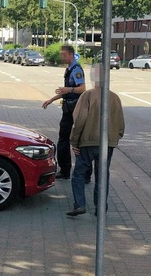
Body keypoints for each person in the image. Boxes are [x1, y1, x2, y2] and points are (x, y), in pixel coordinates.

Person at [66, 64, 125, 217]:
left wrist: (74, 142)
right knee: (102, 175)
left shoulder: (87, 96)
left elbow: (79, 120)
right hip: (107, 144)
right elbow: (121, 125)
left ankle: (80, 204)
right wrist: (114, 139)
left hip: (87, 142)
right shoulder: (114, 98)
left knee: (79, 173)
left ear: (93, 78)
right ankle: (100, 207)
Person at [42, 45, 87, 180]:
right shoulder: (69, 69)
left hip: (75, 109)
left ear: (70, 55)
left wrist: (69, 90)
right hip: (68, 108)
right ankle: (65, 170)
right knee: (64, 139)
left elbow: (82, 89)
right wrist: (51, 99)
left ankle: (84, 173)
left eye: (64, 55)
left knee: (78, 140)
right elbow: (66, 91)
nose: (62, 57)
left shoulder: (76, 69)